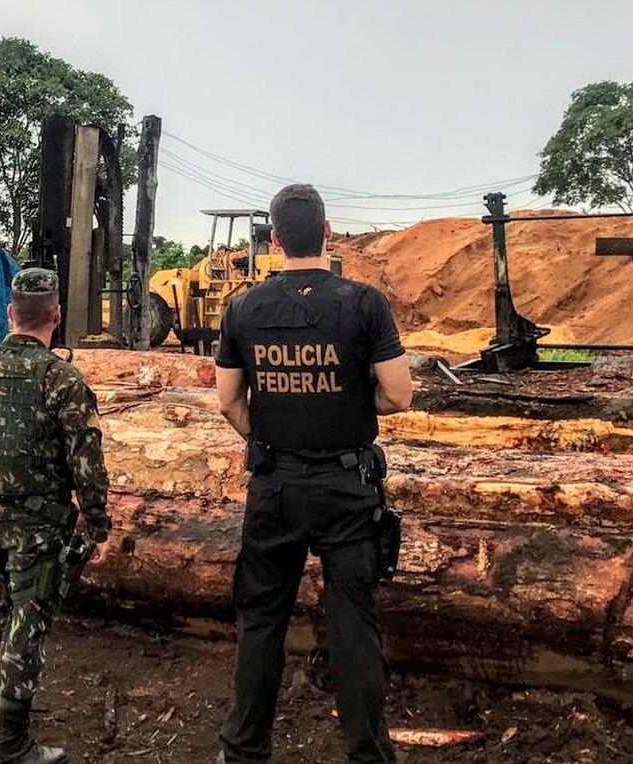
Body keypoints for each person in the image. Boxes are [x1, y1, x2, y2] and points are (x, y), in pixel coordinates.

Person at [215, 184, 413, 763]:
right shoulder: (363, 303)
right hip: (347, 487)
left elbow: (228, 401)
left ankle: (244, 750)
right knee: (353, 624)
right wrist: (349, 402)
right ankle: (368, 755)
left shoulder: (242, 307)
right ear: (327, 232)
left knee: (261, 621)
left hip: (274, 484)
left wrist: (269, 437)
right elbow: (399, 396)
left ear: (274, 239)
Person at [0, 267, 112, 764]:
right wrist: (98, 522)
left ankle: (2, 719)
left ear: (9, 313)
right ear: (56, 315)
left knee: (0, 611)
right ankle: (11, 745)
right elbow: (88, 461)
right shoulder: (61, 379)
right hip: (38, 526)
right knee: (28, 623)